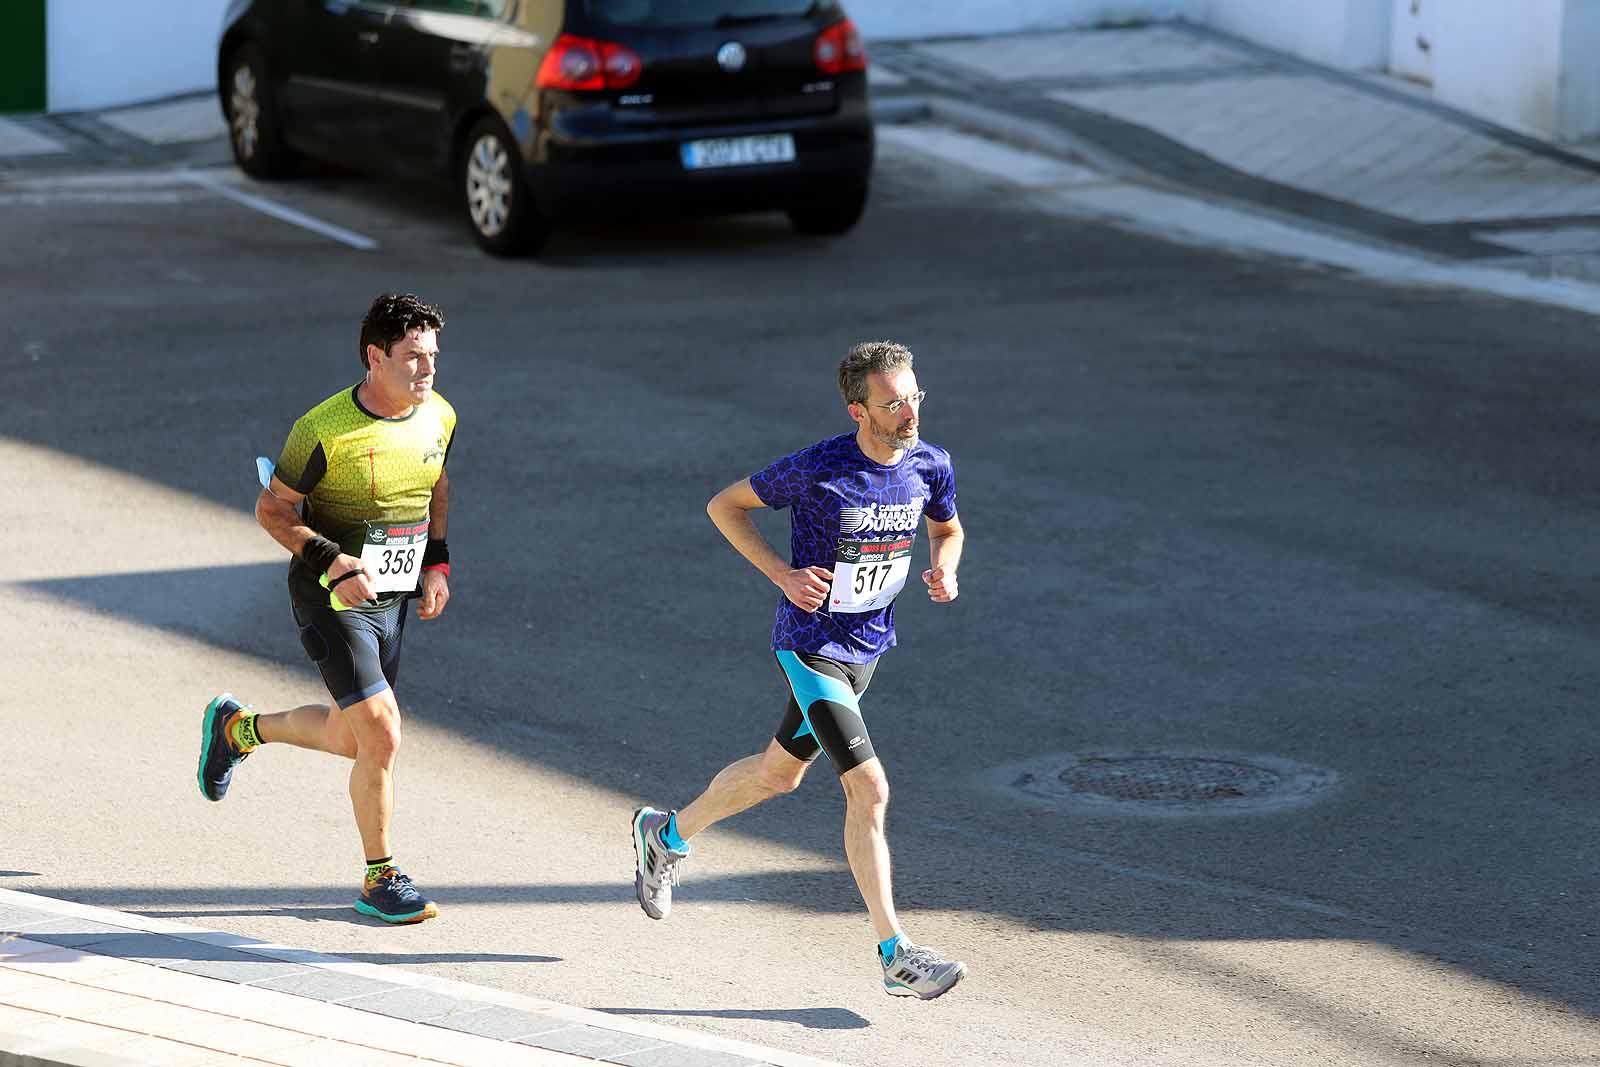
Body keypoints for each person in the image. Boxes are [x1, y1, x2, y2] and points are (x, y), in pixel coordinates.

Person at [632, 340, 968, 1000]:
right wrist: (783, 575)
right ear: (858, 409)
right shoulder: (819, 467)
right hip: (810, 646)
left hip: (866, 649)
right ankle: (895, 952)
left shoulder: (930, 463)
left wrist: (946, 568)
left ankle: (662, 833)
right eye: (892, 403)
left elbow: (947, 528)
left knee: (776, 776)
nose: (909, 413)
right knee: (869, 788)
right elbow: (724, 505)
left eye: (913, 397)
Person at [196, 292, 456, 925]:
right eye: (412, 359)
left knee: (353, 737)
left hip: (390, 597)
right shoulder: (324, 429)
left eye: (433, 358)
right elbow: (272, 509)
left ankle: (238, 730)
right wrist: (331, 561)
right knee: (384, 733)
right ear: (375, 357)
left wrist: (437, 563)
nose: (426, 371)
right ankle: (380, 877)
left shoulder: (439, 416)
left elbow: (436, 486)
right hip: (330, 597)